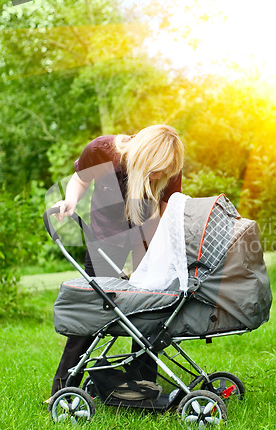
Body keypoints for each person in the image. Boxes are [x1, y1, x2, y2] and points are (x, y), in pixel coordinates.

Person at [47, 125, 184, 400]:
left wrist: (154, 257)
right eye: (155, 170)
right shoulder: (102, 150)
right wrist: (71, 201)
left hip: (147, 232)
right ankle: (64, 386)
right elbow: (79, 180)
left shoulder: (169, 162)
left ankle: (142, 382)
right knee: (91, 307)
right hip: (106, 236)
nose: (160, 176)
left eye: (165, 172)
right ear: (142, 156)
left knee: (151, 304)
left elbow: (168, 207)